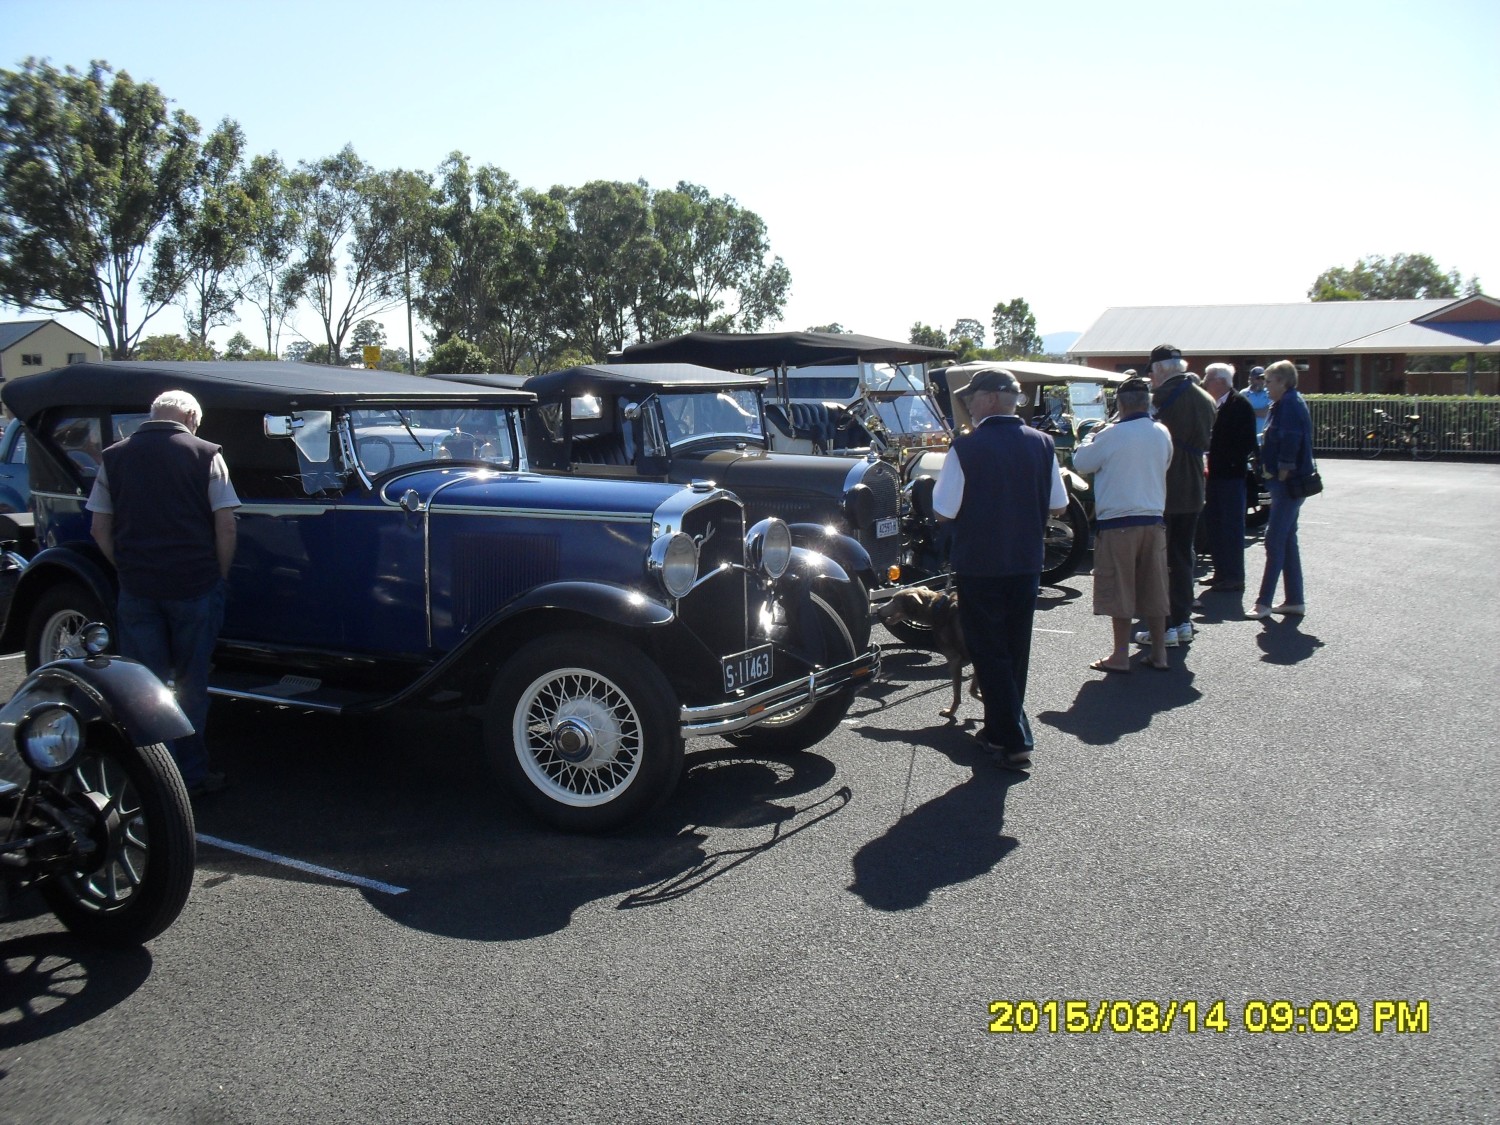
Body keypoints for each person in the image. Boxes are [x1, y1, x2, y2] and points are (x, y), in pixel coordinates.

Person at [87, 389, 240, 795]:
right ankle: (189, 776)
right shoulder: (206, 453)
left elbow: (99, 529)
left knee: (144, 687)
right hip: (194, 583)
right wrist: (218, 575)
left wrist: (128, 568)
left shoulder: (114, 456)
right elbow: (225, 524)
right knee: (191, 683)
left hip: (138, 586)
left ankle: (152, 780)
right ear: (190, 416)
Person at [932, 369, 1067, 769]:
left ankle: (1011, 737)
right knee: (1014, 650)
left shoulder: (967, 448)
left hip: (980, 563)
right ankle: (1001, 730)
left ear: (990, 399)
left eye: (972, 398)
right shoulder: (1043, 443)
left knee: (990, 651)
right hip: (1025, 562)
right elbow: (1058, 504)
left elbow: (943, 509)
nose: (969, 405)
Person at [1071, 377, 1174, 671]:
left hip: (1119, 521)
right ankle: (1159, 652)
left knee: (1119, 589)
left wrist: (1090, 436)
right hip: (1153, 518)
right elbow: (1165, 463)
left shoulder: (1111, 434)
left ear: (1120, 403)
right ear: (1147, 402)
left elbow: (1082, 462)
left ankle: (1119, 655)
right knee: (1155, 587)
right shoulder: (1162, 432)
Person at [1140, 344, 1215, 647]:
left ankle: (1167, 625)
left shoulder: (1159, 398)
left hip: (1166, 487)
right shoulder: (1206, 397)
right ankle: (1183, 621)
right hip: (1194, 485)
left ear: (1158, 370)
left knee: (1161, 560)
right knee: (1184, 558)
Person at [1249, 360, 1312, 620]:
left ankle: (1263, 602)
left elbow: (1290, 440)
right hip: (1288, 483)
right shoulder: (1288, 402)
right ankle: (1294, 599)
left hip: (1287, 483)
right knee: (1287, 539)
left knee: (1274, 540)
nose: (1266, 386)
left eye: (1270, 381)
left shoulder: (1288, 404)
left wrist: (1282, 472)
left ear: (1284, 381)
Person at [1200, 362, 1260, 592]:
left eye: (1208, 378)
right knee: (1214, 524)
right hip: (1214, 474)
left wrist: (1221, 453)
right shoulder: (1213, 404)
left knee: (1232, 527)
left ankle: (1234, 576)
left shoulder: (1239, 405)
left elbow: (1245, 442)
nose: (1204, 382)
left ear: (1220, 381)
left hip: (1231, 475)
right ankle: (1220, 572)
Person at [1244, 366, 1271, 439]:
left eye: (1263, 378)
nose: (1261, 381)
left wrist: (1248, 411)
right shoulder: (1243, 394)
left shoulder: (1269, 393)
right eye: (1258, 378)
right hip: (1247, 437)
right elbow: (1240, 414)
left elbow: (1266, 412)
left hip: (1264, 438)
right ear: (1251, 379)